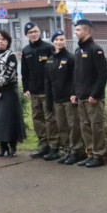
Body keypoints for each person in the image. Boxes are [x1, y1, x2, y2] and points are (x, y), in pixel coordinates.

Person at [70, 18, 107, 168]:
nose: (76, 32)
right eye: (75, 30)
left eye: (78, 30)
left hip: (93, 98)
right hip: (81, 96)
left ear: (87, 31)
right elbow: (77, 74)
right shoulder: (78, 50)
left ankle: (98, 156)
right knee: (85, 126)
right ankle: (90, 154)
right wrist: (74, 92)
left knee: (96, 126)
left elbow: (103, 74)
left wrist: (95, 94)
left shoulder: (95, 49)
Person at [0, 29, 26, 158]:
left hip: (8, 91)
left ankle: (12, 146)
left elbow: (8, 74)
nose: (0, 41)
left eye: (3, 39)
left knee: (9, 119)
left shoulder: (11, 55)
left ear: (8, 41)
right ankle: (2, 147)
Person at [20, 22, 59, 161]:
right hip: (34, 91)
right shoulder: (26, 51)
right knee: (38, 120)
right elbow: (24, 72)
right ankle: (44, 145)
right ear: (26, 35)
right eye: (30, 32)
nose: (33, 34)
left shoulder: (48, 48)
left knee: (50, 119)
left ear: (39, 32)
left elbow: (54, 68)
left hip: (47, 91)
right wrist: (26, 88)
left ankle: (54, 147)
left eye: (35, 31)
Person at [44, 30, 81, 165]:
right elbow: (48, 82)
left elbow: (75, 78)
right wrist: (49, 101)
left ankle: (75, 151)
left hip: (69, 99)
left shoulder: (70, 58)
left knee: (73, 125)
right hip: (56, 99)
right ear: (52, 41)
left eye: (61, 39)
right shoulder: (50, 60)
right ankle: (66, 150)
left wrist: (74, 93)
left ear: (65, 41)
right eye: (56, 40)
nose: (59, 42)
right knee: (62, 126)